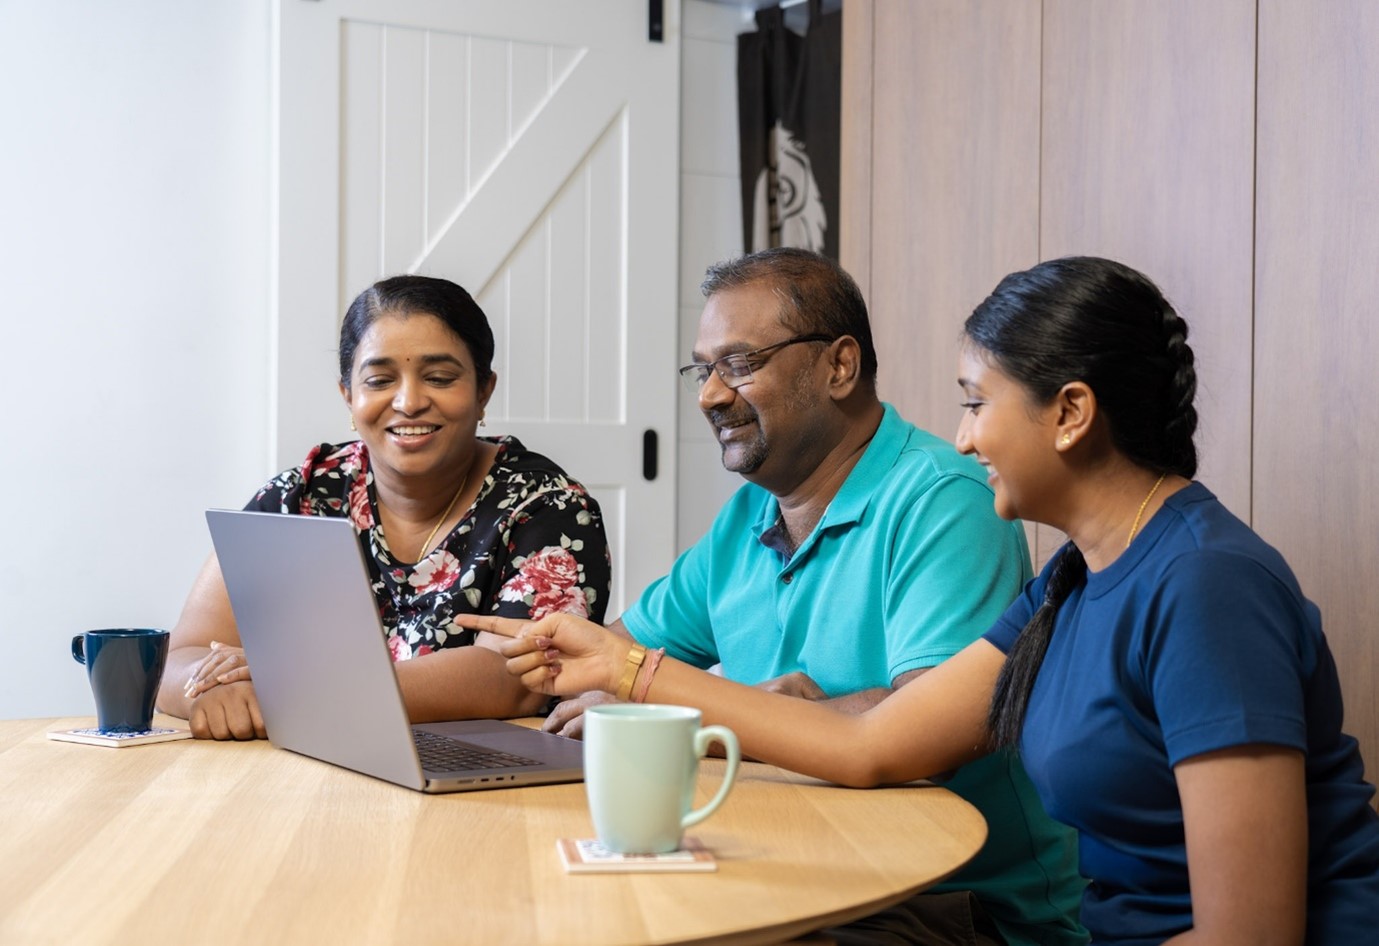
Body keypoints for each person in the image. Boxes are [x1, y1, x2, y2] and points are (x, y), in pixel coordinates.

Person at [461, 255, 1379, 945]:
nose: (960, 436)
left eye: (975, 403)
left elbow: (1248, 936)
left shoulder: (1206, 587)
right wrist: (626, 666)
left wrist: (631, 670)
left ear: (1068, 413)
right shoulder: (1069, 582)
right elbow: (869, 746)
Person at [542, 248, 1087, 946]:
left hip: (950, 905)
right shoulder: (745, 517)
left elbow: (925, 730)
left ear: (838, 366)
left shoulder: (943, 499)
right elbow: (608, 655)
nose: (710, 394)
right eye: (702, 369)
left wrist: (692, 711)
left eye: (739, 364)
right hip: (797, 873)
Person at [156, 275, 612, 740]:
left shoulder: (547, 508)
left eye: (439, 377)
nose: (409, 401)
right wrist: (212, 692)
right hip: (309, 770)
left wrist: (299, 687)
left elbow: (514, 676)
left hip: (474, 780)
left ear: (483, 391)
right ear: (348, 396)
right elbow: (184, 653)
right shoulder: (300, 497)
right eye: (379, 380)